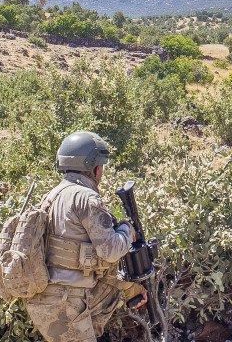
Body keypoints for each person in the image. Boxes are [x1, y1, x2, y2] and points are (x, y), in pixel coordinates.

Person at [24, 131, 147, 342]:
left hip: (45, 299)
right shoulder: (86, 198)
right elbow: (110, 251)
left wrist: (129, 289)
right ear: (95, 168)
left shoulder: (52, 196)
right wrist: (128, 228)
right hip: (65, 303)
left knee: (113, 289)